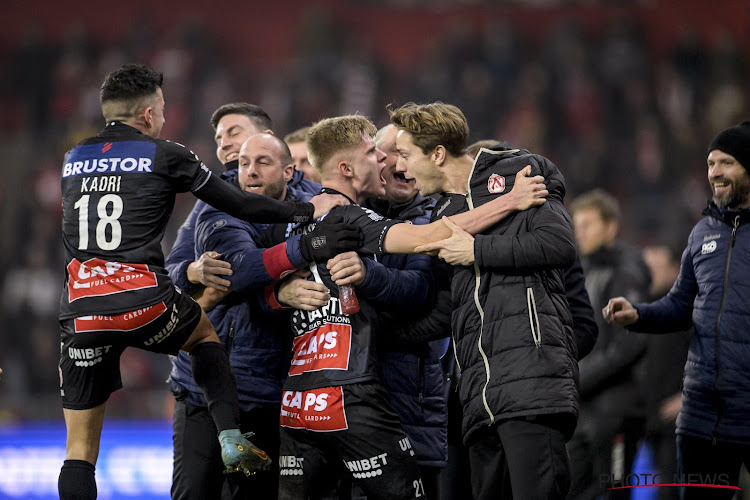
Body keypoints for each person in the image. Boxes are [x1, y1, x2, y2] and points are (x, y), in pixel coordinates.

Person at [56, 64, 358, 500]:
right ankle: (232, 438)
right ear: (147, 115)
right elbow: (241, 205)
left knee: (79, 450)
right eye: (161, 109)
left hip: (80, 308)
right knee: (201, 335)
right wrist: (309, 215)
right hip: (144, 298)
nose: (164, 117)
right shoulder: (168, 154)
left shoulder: (71, 159)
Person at [270, 114, 549, 499]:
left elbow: (245, 275)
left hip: (296, 402)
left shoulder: (290, 222)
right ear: (347, 168)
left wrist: (275, 294)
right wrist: (511, 200)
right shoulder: (350, 217)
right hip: (348, 396)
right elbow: (432, 236)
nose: (385, 160)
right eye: (373, 153)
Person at [390, 102, 581, 500]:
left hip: (532, 380)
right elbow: (449, 308)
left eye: (406, 155)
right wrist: (384, 335)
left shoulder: (518, 170)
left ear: (437, 154)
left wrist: (477, 251)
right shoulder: (444, 214)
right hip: (478, 396)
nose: (401, 169)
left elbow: (558, 244)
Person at [168, 133, 348, 499]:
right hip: (205, 391)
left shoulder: (313, 203)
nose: (247, 170)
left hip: (272, 393)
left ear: (288, 171)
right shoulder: (218, 205)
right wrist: (295, 265)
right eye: (242, 162)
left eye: (261, 162)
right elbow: (237, 269)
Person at [603, 120, 750, 500]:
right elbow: (680, 305)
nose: (715, 172)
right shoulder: (702, 234)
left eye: (727, 162)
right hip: (703, 409)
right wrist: (639, 314)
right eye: (710, 163)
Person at [370, 123, 449, 499]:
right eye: (392, 153)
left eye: (409, 154)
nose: (402, 164)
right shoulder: (342, 215)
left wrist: (374, 332)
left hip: (414, 401)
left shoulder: (441, 219)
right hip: (351, 403)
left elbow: (438, 307)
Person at [567, 189, 651, 500]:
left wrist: (579, 377)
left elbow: (630, 345)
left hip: (616, 409)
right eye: (578, 225)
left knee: (615, 492)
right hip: (583, 412)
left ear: (611, 227)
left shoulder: (626, 272)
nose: (581, 233)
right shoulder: (581, 271)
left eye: (588, 224)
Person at [166, 102, 275, 299]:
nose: (224, 144)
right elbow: (171, 270)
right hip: (234, 327)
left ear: (267, 137)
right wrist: (194, 270)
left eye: (234, 133)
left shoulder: (306, 192)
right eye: (219, 140)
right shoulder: (209, 202)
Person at [640, 243, 691, 500]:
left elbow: (716, 359)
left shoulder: (693, 311)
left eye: (656, 268)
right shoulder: (640, 310)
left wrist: (687, 398)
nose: (649, 274)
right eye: (646, 268)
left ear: (676, 271)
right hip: (647, 420)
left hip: (681, 423)